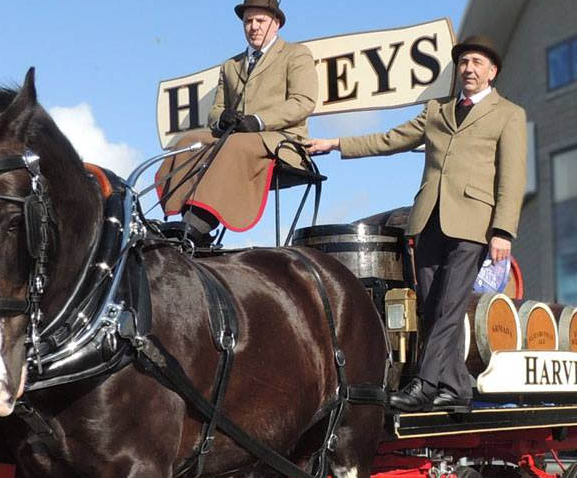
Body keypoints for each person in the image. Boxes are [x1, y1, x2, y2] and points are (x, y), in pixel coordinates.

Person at [307, 35, 527, 412]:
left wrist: (503, 231)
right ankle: (457, 389)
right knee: (431, 306)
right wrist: (336, 144)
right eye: (463, 63)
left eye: (477, 63)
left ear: (492, 72)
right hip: (428, 220)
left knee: (449, 306)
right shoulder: (436, 111)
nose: (469, 69)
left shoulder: (509, 114)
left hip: (473, 225)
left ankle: (424, 385)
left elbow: (512, 176)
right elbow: (389, 138)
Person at [156, 0, 317, 245]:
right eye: (248, 21)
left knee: (235, 146)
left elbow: (303, 102)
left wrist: (260, 121)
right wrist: (221, 118)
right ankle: (177, 216)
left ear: (276, 23)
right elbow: (215, 111)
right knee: (189, 141)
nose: (253, 27)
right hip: (236, 136)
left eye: (260, 21)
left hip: (281, 140)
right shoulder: (231, 66)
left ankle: (198, 224)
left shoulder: (296, 54)